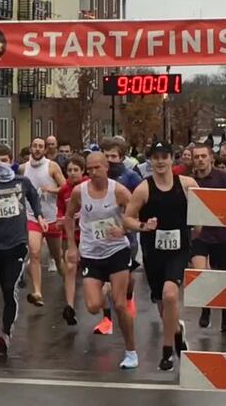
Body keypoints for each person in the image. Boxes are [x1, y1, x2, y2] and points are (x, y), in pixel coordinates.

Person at [123, 141, 198, 371]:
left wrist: (197, 229)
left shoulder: (186, 184)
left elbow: (202, 211)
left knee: (170, 294)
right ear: (150, 161)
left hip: (179, 249)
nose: (160, 162)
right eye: (156, 158)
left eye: (164, 157)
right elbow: (127, 219)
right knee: (162, 303)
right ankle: (176, 332)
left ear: (172, 159)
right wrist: (144, 225)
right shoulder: (144, 189)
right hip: (154, 252)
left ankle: (167, 352)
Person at [65, 153, 138, 369]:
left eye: (98, 167)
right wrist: (71, 245)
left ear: (107, 167)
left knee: (120, 305)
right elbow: (69, 216)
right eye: (90, 168)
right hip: (91, 253)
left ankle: (131, 352)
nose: (93, 172)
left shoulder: (119, 191)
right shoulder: (80, 192)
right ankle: (106, 287)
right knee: (93, 306)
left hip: (117, 251)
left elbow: (135, 214)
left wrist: (123, 228)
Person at [0, 144, 46, 355]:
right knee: (4, 287)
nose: (0, 165)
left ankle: (5, 334)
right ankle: (8, 319)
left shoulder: (21, 182)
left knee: (8, 287)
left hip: (17, 243)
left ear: (11, 160)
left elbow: (33, 196)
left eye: (4, 160)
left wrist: (39, 216)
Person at [95, 137, 143, 335]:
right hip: (100, 233)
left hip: (125, 236)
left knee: (126, 279)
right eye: (106, 156)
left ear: (122, 157)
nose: (109, 160)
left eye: (113, 156)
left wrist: (130, 220)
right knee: (103, 282)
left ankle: (129, 296)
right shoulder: (97, 176)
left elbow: (143, 199)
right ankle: (106, 319)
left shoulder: (131, 177)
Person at [190, 143, 226, 332]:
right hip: (200, 236)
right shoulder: (190, 180)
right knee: (202, 273)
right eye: (196, 157)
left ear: (210, 158)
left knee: (222, 278)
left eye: (203, 156)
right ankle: (205, 310)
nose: (200, 160)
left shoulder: (223, 177)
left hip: (221, 236)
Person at [19, 137, 67, 306]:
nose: (38, 149)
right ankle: (37, 292)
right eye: (35, 146)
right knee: (35, 252)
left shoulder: (52, 166)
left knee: (58, 257)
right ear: (30, 148)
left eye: (41, 147)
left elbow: (65, 187)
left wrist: (50, 190)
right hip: (32, 217)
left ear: (45, 150)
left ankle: (67, 281)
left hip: (51, 216)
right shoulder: (23, 168)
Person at [56, 156, 88, 325]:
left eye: (76, 170)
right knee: (70, 267)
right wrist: (62, 220)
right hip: (71, 236)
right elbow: (60, 211)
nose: (73, 173)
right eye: (70, 170)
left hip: (89, 236)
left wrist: (80, 215)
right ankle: (69, 306)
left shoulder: (89, 186)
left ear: (83, 171)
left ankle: (106, 309)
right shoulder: (63, 191)